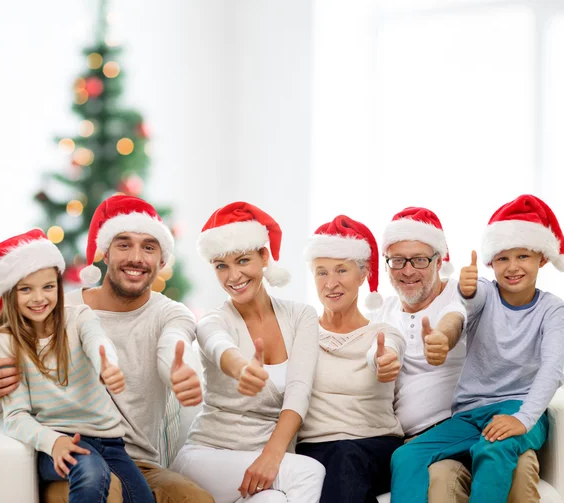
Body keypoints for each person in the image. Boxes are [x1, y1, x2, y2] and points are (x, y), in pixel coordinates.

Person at [0, 195, 214, 503]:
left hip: (136, 463)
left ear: (162, 260)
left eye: (149, 247)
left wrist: (178, 371)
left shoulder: (170, 314)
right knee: (105, 490)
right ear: (104, 251)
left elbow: (173, 344)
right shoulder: (57, 308)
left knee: (195, 499)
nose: (136, 257)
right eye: (124, 244)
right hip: (70, 457)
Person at [390, 194, 564, 503]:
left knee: (493, 448)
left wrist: (523, 419)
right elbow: (463, 307)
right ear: (491, 263)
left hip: (520, 409)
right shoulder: (483, 291)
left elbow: (553, 368)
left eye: (522, 256)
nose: (512, 267)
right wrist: (462, 297)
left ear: (543, 258)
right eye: (502, 258)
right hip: (470, 414)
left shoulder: (553, 310)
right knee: (406, 456)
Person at [0, 229, 154, 503]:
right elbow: (15, 416)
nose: (39, 298)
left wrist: (106, 363)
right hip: (57, 439)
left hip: (110, 442)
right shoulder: (6, 341)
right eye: (26, 289)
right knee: (91, 473)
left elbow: (97, 341)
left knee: (142, 498)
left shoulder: (79, 316)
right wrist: (53, 443)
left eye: (48, 287)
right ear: (10, 294)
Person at [171, 201, 326, 502]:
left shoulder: (301, 317)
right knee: (309, 472)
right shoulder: (214, 321)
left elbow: (299, 391)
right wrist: (242, 368)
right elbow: (220, 347)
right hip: (208, 457)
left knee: (273, 500)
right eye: (221, 266)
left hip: (262, 462)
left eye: (243, 261)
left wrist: (271, 455)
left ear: (264, 256)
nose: (233, 276)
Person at [296, 215, 405, 503]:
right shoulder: (300, 335)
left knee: (345, 458)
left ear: (363, 274)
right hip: (314, 448)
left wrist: (384, 360)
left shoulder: (382, 333)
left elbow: (385, 352)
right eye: (322, 272)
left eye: (341, 270)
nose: (331, 283)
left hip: (375, 446)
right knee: (333, 465)